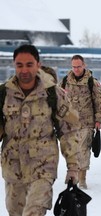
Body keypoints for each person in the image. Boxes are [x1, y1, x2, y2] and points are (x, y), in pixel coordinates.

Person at [0, 44, 80, 216]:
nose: (24, 70)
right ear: (14, 65)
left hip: (43, 167)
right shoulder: (3, 94)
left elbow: (69, 130)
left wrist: (73, 166)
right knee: (15, 212)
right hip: (13, 168)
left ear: (38, 64)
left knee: (34, 212)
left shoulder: (53, 93)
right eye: (19, 65)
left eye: (29, 64)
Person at [59, 54, 101, 189]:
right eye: (74, 67)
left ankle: (82, 178)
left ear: (84, 65)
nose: (76, 69)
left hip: (86, 122)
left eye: (79, 66)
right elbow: (59, 101)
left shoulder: (92, 82)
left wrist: (98, 120)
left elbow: (99, 102)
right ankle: (73, 175)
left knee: (83, 150)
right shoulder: (64, 82)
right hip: (69, 124)